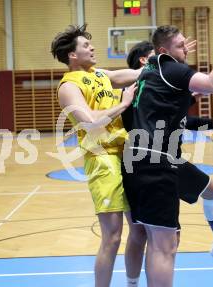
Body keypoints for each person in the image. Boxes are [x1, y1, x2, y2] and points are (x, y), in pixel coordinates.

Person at [122, 9, 213, 287]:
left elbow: (179, 117)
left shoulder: (150, 76)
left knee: (164, 239)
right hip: (156, 162)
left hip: (141, 161)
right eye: (181, 45)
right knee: (162, 246)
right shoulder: (169, 68)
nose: (186, 49)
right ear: (163, 50)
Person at [51, 24, 143, 287]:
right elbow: (90, 122)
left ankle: (132, 283)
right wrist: (124, 104)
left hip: (127, 153)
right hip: (102, 158)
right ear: (72, 55)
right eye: (85, 46)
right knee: (113, 236)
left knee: (138, 230)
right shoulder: (68, 87)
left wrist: (165, 59)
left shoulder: (100, 74)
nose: (92, 48)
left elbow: (135, 74)